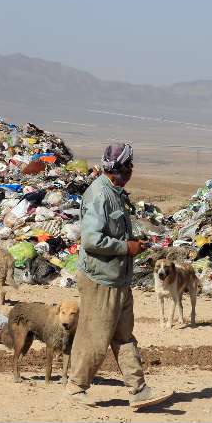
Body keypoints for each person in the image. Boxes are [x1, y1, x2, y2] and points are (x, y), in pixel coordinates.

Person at [65, 143, 173, 409]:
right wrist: (126, 247)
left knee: (124, 336)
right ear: (118, 168)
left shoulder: (116, 193)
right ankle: (75, 388)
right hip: (101, 280)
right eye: (129, 166)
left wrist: (133, 244)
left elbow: (111, 234)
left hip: (119, 279)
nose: (131, 171)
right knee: (95, 336)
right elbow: (91, 240)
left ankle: (138, 390)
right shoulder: (99, 195)